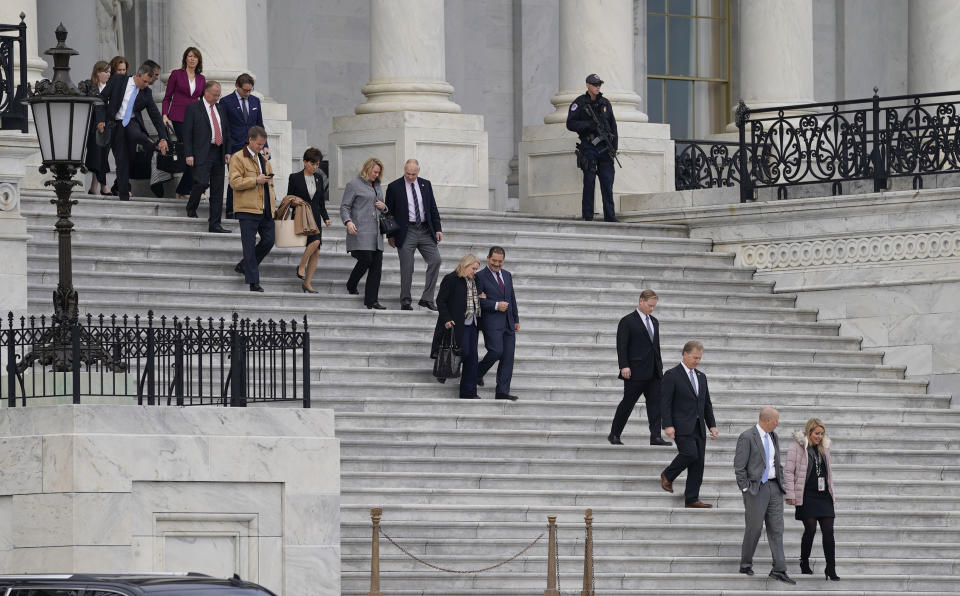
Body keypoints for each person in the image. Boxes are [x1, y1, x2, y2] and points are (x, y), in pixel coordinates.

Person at [734, 407, 796, 585]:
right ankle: (745, 564)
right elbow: (739, 466)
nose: (778, 424)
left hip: (774, 487)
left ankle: (779, 569)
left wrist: (782, 483)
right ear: (767, 420)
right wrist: (745, 488)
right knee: (754, 528)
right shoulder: (747, 437)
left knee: (777, 529)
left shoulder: (773, 436)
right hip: (756, 488)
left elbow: (776, 463)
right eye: (776, 420)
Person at [96, 60, 169, 202]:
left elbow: (155, 116)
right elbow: (101, 99)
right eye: (145, 81)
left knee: (136, 134)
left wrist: (163, 137)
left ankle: (154, 146)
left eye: (149, 82)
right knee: (122, 161)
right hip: (115, 125)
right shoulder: (118, 80)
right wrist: (101, 119)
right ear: (138, 75)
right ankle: (123, 196)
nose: (146, 85)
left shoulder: (146, 92)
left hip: (132, 123)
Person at [660, 340, 718, 508]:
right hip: (681, 425)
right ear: (685, 354)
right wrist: (668, 425)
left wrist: (712, 426)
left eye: (699, 358)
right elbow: (665, 403)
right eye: (694, 357)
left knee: (698, 463)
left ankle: (692, 499)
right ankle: (667, 474)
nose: (697, 361)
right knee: (690, 454)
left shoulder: (701, 377)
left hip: (699, 427)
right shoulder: (672, 375)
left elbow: (706, 404)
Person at [609, 290, 669, 446]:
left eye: (654, 306)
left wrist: (659, 368)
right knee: (627, 404)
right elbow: (621, 346)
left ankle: (655, 437)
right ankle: (614, 434)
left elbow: (655, 347)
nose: (652, 309)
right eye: (650, 305)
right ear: (641, 301)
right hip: (634, 371)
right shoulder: (627, 321)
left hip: (654, 372)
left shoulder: (654, 321)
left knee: (655, 406)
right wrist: (624, 366)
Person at [385, 158, 443, 311]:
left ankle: (427, 298)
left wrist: (438, 228)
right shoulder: (394, 187)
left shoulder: (426, 184)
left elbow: (432, 208)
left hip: (425, 230)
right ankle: (405, 300)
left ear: (418, 172)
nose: (410, 177)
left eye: (413, 174)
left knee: (436, 260)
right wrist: (390, 235)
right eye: (407, 173)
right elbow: (388, 213)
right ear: (404, 170)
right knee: (407, 267)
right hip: (406, 230)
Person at [785, 418, 839, 581]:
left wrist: (831, 492)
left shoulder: (825, 448)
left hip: (823, 496)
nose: (819, 437)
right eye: (817, 433)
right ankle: (804, 561)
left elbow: (827, 472)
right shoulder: (796, 448)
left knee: (829, 532)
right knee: (810, 529)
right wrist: (791, 494)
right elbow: (788, 472)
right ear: (809, 432)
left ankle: (831, 568)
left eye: (822, 434)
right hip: (807, 495)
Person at [566, 73, 618, 222]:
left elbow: (614, 126)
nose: (597, 87)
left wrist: (614, 147)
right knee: (589, 182)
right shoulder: (580, 103)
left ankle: (610, 216)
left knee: (607, 184)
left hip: (605, 149)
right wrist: (589, 125)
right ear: (587, 85)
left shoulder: (605, 103)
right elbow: (570, 124)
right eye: (595, 85)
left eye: (599, 85)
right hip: (589, 147)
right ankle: (588, 216)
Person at [229, 126, 275, 292]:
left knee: (269, 240)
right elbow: (234, 182)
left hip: (265, 208)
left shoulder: (264, 159)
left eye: (262, 144)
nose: (261, 147)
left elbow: (270, 185)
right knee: (248, 245)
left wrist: (274, 206)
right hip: (247, 208)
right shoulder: (238, 157)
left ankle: (244, 266)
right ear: (250, 140)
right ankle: (253, 281)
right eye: (258, 144)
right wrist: (255, 180)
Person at [182, 80, 231, 233]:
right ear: (206, 92)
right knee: (201, 182)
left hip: (219, 152)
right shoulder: (193, 108)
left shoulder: (221, 109)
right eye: (215, 95)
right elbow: (187, 133)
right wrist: (188, 154)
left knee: (217, 190)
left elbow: (226, 131)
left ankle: (215, 224)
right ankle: (191, 206)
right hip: (201, 152)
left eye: (218, 95)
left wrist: (228, 151)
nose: (217, 98)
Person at [433, 253, 483, 399]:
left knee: (472, 358)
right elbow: (440, 301)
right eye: (473, 268)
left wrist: (481, 297)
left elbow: (474, 297)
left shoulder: (474, 280)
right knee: (463, 352)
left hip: (472, 323)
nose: (475, 272)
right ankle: (445, 371)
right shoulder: (451, 279)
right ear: (465, 265)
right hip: (457, 324)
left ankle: (469, 393)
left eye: (476, 269)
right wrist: (447, 319)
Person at [340, 157, 388, 309]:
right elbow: (344, 207)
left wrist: (384, 207)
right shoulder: (353, 184)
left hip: (377, 233)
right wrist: (348, 222)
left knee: (376, 267)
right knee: (366, 259)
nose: (376, 175)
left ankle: (372, 301)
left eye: (378, 173)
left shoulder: (378, 186)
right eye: (374, 172)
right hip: (360, 230)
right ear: (367, 169)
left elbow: (381, 208)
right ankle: (352, 283)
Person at [221, 73, 268, 218]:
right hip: (234, 146)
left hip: (252, 146)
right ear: (237, 86)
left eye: (250, 90)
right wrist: (226, 151)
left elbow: (259, 124)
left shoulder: (255, 101)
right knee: (235, 178)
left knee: (252, 177)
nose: (248, 93)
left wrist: (265, 145)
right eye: (245, 90)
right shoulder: (226, 101)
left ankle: (248, 208)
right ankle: (230, 209)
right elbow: (225, 128)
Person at [475, 246, 519, 401]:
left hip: (508, 322)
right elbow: (477, 301)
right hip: (491, 321)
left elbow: (511, 297)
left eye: (500, 261)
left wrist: (516, 319)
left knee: (508, 357)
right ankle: (476, 373)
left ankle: (502, 391)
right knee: (496, 351)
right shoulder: (479, 276)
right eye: (494, 260)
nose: (497, 264)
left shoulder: (507, 275)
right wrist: (495, 305)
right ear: (488, 259)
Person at [161, 47, 206, 199]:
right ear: (185, 58)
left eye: (195, 57)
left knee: (197, 153)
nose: (192, 59)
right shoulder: (176, 74)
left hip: (195, 119)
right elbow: (167, 97)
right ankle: (185, 189)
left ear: (198, 60)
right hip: (178, 117)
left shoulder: (201, 78)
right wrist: (164, 114)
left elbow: (203, 100)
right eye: (190, 56)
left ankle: (184, 188)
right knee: (188, 151)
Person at [288, 147, 332, 294]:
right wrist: (296, 202)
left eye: (317, 164)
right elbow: (289, 198)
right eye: (313, 164)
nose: (315, 167)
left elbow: (321, 203)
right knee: (316, 241)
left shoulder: (319, 179)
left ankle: (307, 283)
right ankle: (301, 266)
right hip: (301, 216)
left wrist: (326, 218)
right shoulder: (294, 177)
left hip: (316, 217)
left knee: (316, 252)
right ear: (305, 162)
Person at [79, 60, 111, 196]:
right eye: (105, 72)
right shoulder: (88, 85)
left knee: (103, 156)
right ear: (98, 72)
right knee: (96, 156)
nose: (108, 75)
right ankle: (100, 187)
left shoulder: (110, 87)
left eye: (109, 72)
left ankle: (95, 187)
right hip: (92, 127)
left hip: (107, 126)